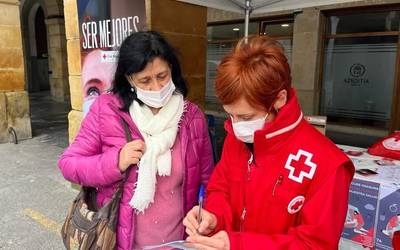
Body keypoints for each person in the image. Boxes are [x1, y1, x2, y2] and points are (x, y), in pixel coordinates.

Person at [183, 35, 355, 250]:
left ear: (279, 99)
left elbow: (315, 244)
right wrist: (213, 217)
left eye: (246, 117)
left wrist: (239, 244)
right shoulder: (237, 139)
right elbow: (221, 188)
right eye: (230, 115)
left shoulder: (328, 164)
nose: (236, 126)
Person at [59, 31, 214, 250]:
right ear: (129, 78)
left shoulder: (192, 117)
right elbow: (68, 164)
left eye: (162, 76)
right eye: (145, 80)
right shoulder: (106, 109)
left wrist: (206, 212)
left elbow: (209, 180)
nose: (157, 88)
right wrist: (115, 162)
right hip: (124, 242)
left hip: (179, 242)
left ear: (172, 68)